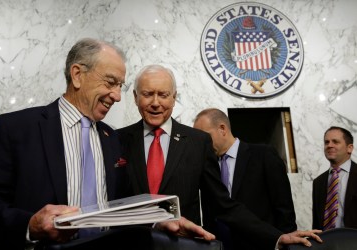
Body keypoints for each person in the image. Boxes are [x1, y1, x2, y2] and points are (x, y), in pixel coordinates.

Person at [0, 39, 214, 250]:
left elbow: (120, 207)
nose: (117, 96)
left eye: (120, 86)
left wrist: (159, 220)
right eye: (111, 82)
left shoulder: (111, 138)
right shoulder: (16, 128)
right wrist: (29, 225)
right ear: (78, 74)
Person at [117, 64, 321, 249]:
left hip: (182, 246)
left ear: (174, 97)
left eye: (163, 94)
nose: (155, 102)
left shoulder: (198, 142)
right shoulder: (116, 140)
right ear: (135, 97)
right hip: (130, 244)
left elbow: (222, 205)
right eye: (147, 94)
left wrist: (277, 236)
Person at [193, 108, 297, 250]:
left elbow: (284, 210)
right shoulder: (207, 167)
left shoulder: (264, 155)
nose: (201, 143)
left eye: (204, 136)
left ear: (222, 129)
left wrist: (284, 244)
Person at [312, 126, 357, 230]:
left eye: (335, 142)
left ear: (349, 148)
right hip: (327, 243)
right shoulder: (318, 182)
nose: (329, 145)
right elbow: (316, 223)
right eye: (326, 142)